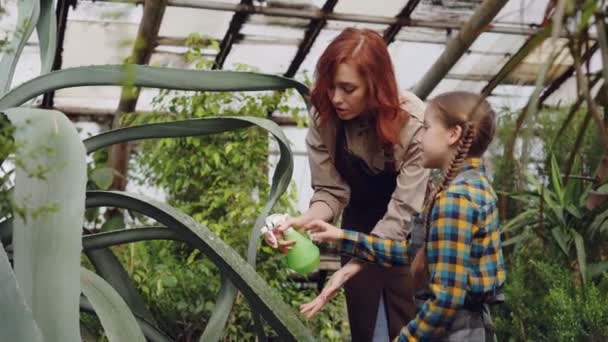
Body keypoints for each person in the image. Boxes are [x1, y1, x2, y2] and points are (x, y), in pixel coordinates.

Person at [265, 28, 430, 341]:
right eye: (330, 87)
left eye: (348, 88)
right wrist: (302, 221)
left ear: (376, 86)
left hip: (408, 244)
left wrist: (360, 257)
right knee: (368, 330)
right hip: (356, 229)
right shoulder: (324, 117)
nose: (336, 98)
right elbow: (330, 192)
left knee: (411, 328)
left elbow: (405, 209)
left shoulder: (412, 122)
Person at [302, 91, 506, 341]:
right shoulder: (470, 188)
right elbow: (415, 253)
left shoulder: (456, 201)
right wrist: (342, 237)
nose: (419, 138)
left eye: (427, 128)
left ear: (453, 135)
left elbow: (446, 301)